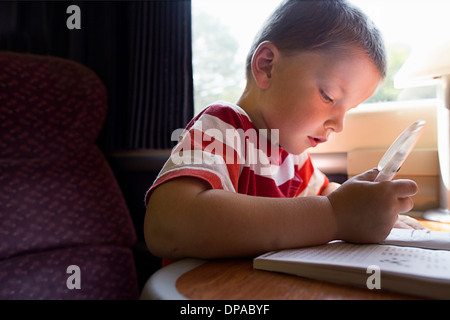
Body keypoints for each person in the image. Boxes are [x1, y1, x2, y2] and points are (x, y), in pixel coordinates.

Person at [144, 0, 424, 263]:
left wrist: (363, 206)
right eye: (328, 96)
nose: (338, 125)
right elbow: (167, 225)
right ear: (267, 66)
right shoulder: (223, 127)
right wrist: (334, 216)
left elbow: (325, 191)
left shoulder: (292, 156)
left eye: (348, 110)